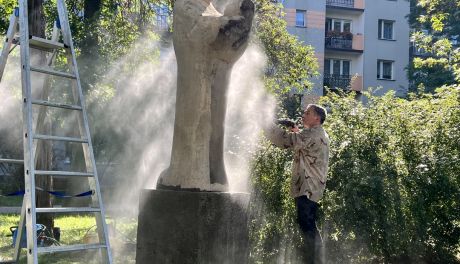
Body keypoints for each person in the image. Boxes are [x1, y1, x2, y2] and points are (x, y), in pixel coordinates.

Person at [264, 104, 330, 264]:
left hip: (307, 188)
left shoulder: (311, 134)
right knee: (308, 225)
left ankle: (315, 261)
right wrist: (295, 131)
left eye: (308, 113)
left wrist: (265, 123)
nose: (303, 115)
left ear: (317, 118)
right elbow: (303, 143)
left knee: (307, 226)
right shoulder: (317, 133)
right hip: (311, 187)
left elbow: (284, 140)